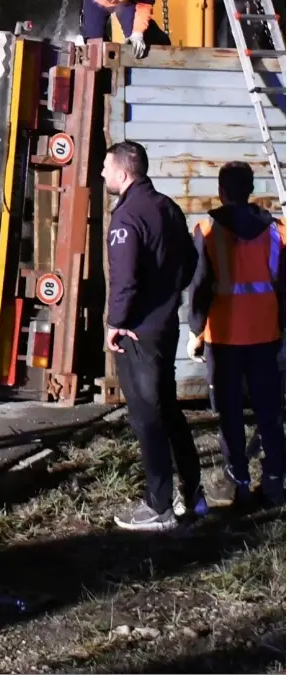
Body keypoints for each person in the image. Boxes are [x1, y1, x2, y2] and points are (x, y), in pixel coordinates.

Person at [101, 140, 203, 531]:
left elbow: (124, 280)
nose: (103, 174)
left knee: (147, 417)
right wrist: (167, 296)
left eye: (106, 168)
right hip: (164, 324)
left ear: (124, 172)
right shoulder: (168, 207)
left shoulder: (127, 217)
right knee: (170, 409)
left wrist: (116, 322)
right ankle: (193, 494)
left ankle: (158, 506)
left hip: (137, 331)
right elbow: (191, 261)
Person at [187, 161, 285, 509]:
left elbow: (200, 286)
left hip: (223, 337)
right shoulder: (277, 231)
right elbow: (283, 287)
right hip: (266, 335)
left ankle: (238, 482)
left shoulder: (206, 228)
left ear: (221, 190)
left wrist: (195, 330)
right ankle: (274, 482)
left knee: (229, 413)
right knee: (270, 411)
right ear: (250, 190)